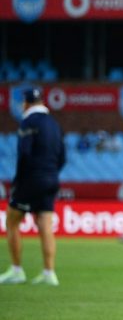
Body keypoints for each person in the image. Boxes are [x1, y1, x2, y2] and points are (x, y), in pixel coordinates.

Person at [0, 88, 65, 286]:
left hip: (30, 179)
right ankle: (49, 273)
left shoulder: (28, 122)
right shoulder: (54, 124)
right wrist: (50, 173)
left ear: (26, 103)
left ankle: (17, 270)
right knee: (45, 225)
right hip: (51, 179)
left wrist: (18, 180)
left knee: (12, 221)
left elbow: (24, 154)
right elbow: (62, 157)